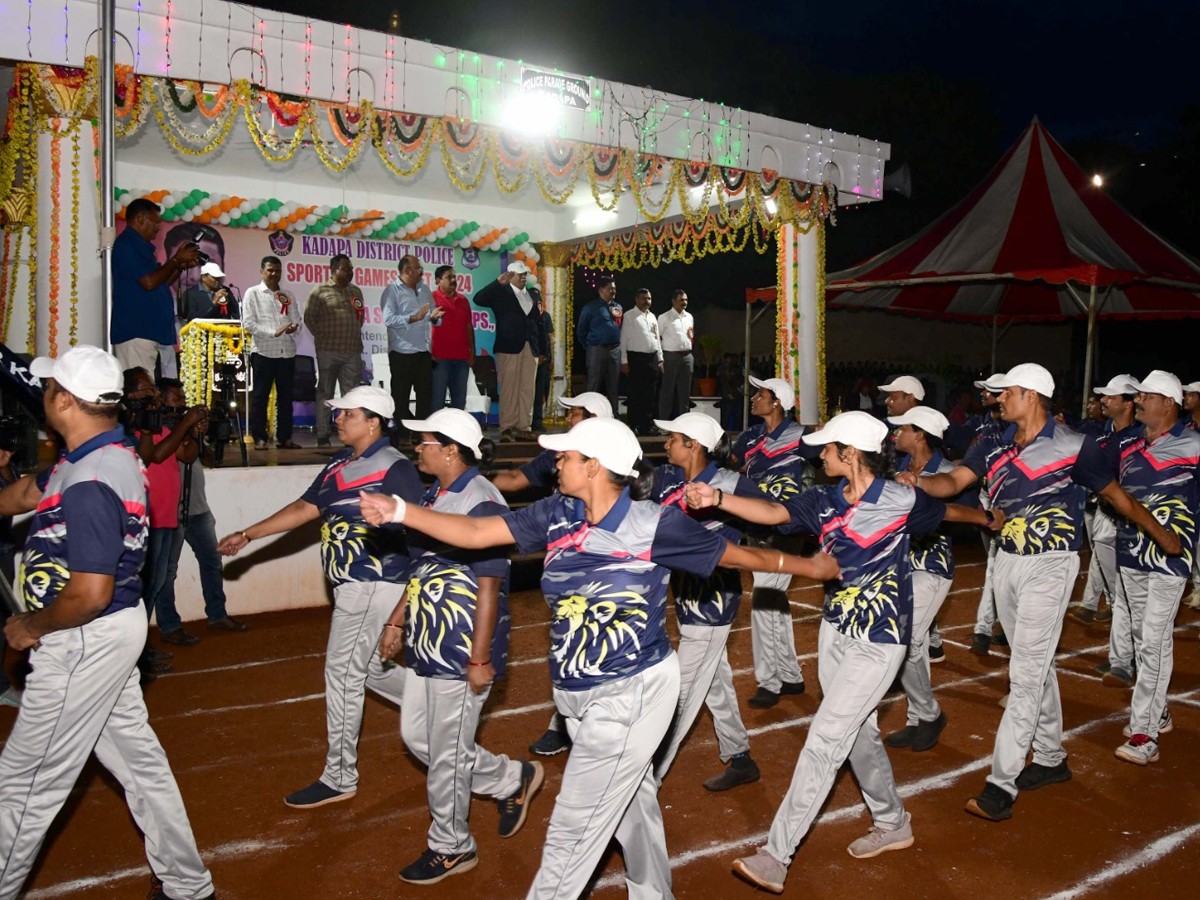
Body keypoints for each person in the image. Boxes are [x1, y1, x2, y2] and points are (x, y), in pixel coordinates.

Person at [360, 417, 836, 900]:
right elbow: (479, 531)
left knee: (572, 828)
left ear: (595, 466)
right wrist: (401, 510)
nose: (556, 464)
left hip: (632, 690)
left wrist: (810, 567)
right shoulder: (558, 512)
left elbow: (739, 557)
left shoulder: (653, 523)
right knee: (632, 802)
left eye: (565, 456)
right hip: (574, 693)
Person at [688, 412, 998, 894]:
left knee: (827, 736)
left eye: (828, 449)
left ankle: (776, 853)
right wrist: (718, 499)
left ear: (850, 453)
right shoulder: (822, 499)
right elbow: (773, 513)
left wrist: (983, 516)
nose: (820, 456)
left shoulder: (900, 499)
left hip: (881, 639)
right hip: (836, 633)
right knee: (857, 735)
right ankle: (893, 821)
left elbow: (946, 514)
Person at [904, 363, 1179, 822]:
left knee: (1026, 674)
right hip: (1007, 561)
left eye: (1006, 392)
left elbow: (1117, 497)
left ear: (1031, 395)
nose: (998, 399)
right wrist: (920, 483)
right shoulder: (992, 443)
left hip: (1052, 563)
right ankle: (1051, 758)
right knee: (1034, 662)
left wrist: (1162, 535)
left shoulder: (1075, 446)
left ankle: (1001, 781)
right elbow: (953, 482)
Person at [0, 345, 215, 900]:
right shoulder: (101, 451)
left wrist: (33, 626)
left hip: (81, 639)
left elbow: (89, 593)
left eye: (48, 389)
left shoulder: (93, 476)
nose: (41, 395)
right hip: (112, 634)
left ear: (65, 400)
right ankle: (187, 884)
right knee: (139, 765)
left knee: (25, 783)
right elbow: (30, 491)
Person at [217, 386, 422, 808]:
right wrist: (248, 535)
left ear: (374, 422)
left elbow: (420, 529)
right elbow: (305, 508)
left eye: (348, 414)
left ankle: (340, 775)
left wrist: (402, 607)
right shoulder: (340, 465)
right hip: (353, 584)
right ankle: (433, 710)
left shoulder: (394, 468)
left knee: (342, 672)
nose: (339, 419)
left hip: (374, 581)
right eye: (339, 413)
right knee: (368, 670)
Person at [379, 409, 541, 885]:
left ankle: (452, 846)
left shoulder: (482, 502)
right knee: (420, 739)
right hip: (428, 640)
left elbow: (490, 587)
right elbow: (425, 566)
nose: (417, 449)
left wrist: (479, 657)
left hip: (459, 647)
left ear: (451, 450)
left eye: (424, 442)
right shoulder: (439, 493)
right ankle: (511, 779)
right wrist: (397, 621)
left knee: (447, 754)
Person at [490, 391, 614, 759]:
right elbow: (515, 480)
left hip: (607, 566)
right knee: (568, 643)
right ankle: (563, 724)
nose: (568, 419)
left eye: (574, 413)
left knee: (604, 648)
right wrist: (479, 479)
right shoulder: (558, 456)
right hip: (570, 565)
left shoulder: (619, 460)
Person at [650, 412, 764, 792]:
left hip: (714, 601)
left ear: (694, 445)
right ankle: (740, 756)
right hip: (687, 596)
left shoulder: (732, 484)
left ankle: (648, 776)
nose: (667, 443)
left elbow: (774, 514)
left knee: (679, 692)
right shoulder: (671, 480)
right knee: (715, 678)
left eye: (674, 437)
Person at [1108, 371, 1199, 765]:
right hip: (1130, 552)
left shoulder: (1194, 444)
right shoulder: (1127, 447)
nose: (1139, 400)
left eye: (1146, 395)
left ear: (1169, 403)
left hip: (1171, 556)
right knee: (1137, 632)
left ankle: (1145, 734)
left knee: (1154, 639)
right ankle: (1158, 711)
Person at [730, 375, 819, 709]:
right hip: (755, 522)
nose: (754, 398)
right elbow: (732, 464)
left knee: (764, 596)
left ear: (778, 401)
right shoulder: (750, 436)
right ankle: (791, 675)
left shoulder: (800, 436)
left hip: (788, 525)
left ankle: (769, 680)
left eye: (760, 394)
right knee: (773, 599)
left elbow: (828, 455)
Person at [882, 406, 960, 753]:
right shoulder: (900, 468)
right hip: (902, 565)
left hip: (931, 564)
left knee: (907, 640)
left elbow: (955, 514)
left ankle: (929, 713)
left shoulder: (946, 473)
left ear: (920, 435)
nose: (895, 433)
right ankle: (917, 718)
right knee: (910, 644)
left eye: (903, 429)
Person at [123, 370, 209, 649]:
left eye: (154, 389)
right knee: (148, 585)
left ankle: (143, 646)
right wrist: (186, 423)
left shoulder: (160, 422)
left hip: (168, 513)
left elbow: (186, 455)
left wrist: (195, 433)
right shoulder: (136, 423)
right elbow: (156, 455)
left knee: (158, 581)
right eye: (147, 389)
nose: (154, 395)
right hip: (152, 514)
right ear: (131, 394)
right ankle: (138, 650)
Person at [157, 381, 247, 633]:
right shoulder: (162, 429)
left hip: (198, 508)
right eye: (177, 399)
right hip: (171, 512)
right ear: (163, 401)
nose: (183, 403)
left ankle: (217, 615)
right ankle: (170, 626)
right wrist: (188, 428)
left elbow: (206, 459)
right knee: (167, 572)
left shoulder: (183, 427)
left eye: (183, 398)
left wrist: (199, 434)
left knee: (211, 561)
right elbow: (181, 455)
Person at [1067, 375, 1138, 629]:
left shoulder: (1141, 436)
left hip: (1134, 515)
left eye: (1111, 397)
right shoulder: (1103, 433)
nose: (1103, 401)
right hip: (1106, 510)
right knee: (1109, 561)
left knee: (1134, 579)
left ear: (1128, 403)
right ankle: (1116, 609)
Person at [112, 198, 200, 376]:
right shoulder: (127, 245)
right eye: (155, 222)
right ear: (139, 218)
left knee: (153, 393)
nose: (158, 228)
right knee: (140, 392)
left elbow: (161, 283)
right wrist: (175, 260)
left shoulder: (142, 248)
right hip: (136, 331)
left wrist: (180, 266)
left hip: (150, 332)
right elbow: (149, 282)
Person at [472, 262, 543, 442]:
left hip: (531, 347)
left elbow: (539, 323)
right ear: (509, 275)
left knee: (528, 388)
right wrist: (497, 283)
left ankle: (524, 426)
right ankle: (507, 427)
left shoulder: (534, 294)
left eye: (524, 274)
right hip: (508, 346)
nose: (523, 277)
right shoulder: (501, 293)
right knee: (509, 387)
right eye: (519, 274)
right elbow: (478, 299)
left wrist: (541, 349)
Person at [242, 255, 302, 451]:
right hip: (264, 352)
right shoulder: (253, 293)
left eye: (278, 270)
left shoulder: (287, 295)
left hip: (287, 353)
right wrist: (272, 332)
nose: (274, 274)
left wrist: (294, 327)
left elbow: (297, 320)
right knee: (261, 396)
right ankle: (259, 437)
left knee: (286, 398)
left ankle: (284, 438)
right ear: (262, 271)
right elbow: (248, 323)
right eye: (270, 270)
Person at [305, 254, 366, 446]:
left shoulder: (356, 291)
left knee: (351, 395)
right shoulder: (320, 291)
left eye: (351, 269)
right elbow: (309, 318)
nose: (350, 272)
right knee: (325, 392)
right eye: (346, 269)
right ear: (334, 270)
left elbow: (360, 318)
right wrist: (322, 337)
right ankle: (323, 434)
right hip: (328, 350)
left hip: (352, 351)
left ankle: (351, 434)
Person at [381, 255, 443, 425]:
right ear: (407, 270)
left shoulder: (424, 290)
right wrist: (414, 317)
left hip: (423, 351)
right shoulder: (392, 290)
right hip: (402, 352)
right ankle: (401, 435)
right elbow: (389, 319)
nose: (421, 271)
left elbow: (432, 317)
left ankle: (421, 434)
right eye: (418, 268)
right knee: (401, 398)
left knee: (425, 396)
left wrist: (435, 318)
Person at [430, 264, 474, 412]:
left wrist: (472, 352)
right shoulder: (431, 298)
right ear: (438, 281)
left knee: (459, 402)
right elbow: (424, 327)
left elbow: (469, 327)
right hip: (439, 359)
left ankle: (455, 434)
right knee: (437, 401)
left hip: (461, 359)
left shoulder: (463, 300)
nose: (453, 280)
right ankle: (435, 434)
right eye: (449, 277)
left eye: (454, 277)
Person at [575, 277, 623, 413]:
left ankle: (614, 417)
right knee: (593, 384)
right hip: (596, 350)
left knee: (613, 386)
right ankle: (588, 416)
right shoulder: (590, 307)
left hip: (614, 350)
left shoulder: (618, 307)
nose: (613, 291)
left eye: (614, 288)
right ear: (601, 290)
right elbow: (581, 331)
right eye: (610, 288)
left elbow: (619, 327)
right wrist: (590, 346)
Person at [619, 288, 662, 435]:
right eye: (644, 298)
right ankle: (634, 425)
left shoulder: (652, 317)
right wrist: (624, 361)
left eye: (649, 298)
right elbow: (623, 339)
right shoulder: (629, 316)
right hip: (635, 358)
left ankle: (647, 425)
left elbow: (657, 339)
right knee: (636, 393)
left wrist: (660, 360)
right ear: (636, 299)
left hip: (652, 358)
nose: (647, 301)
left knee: (650, 394)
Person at [657, 290, 694, 420]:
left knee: (684, 393)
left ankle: (683, 423)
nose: (684, 302)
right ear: (673, 301)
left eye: (686, 300)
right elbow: (657, 338)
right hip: (670, 356)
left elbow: (690, 335)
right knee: (668, 391)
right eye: (681, 300)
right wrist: (660, 358)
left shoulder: (689, 317)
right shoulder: (664, 317)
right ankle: (664, 422)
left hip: (687, 357)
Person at [1183, 379, 1200, 610]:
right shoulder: (1186, 427)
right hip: (1191, 495)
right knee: (1194, 545)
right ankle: (1197, 586)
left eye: (1190, 395)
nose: (1185, 398)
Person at [531, 296, 553, 431]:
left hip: (544, 360)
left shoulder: (545, 316)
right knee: (529, 392)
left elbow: (549, 340)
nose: (538, 305)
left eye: (540, 302)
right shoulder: (527, 317)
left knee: (540, 392)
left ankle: (537, 421)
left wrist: (550, 359)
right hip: (530, 360)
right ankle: (528, 420)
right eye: (535, 303)